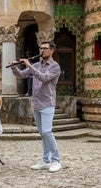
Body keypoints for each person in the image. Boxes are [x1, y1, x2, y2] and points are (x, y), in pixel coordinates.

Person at [9, 41, 61, 172]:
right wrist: (14, 67)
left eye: (45, 48)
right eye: (41, 48)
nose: (42, 50)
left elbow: (43, 77)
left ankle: (56, 160)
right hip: (36, 103)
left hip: (48, 103)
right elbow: (21, 75)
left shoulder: (55, 67)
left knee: (47, 132)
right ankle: (45, 160)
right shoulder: (37, 64)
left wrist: (29, 66)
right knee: (42, 134)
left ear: (52, 50)